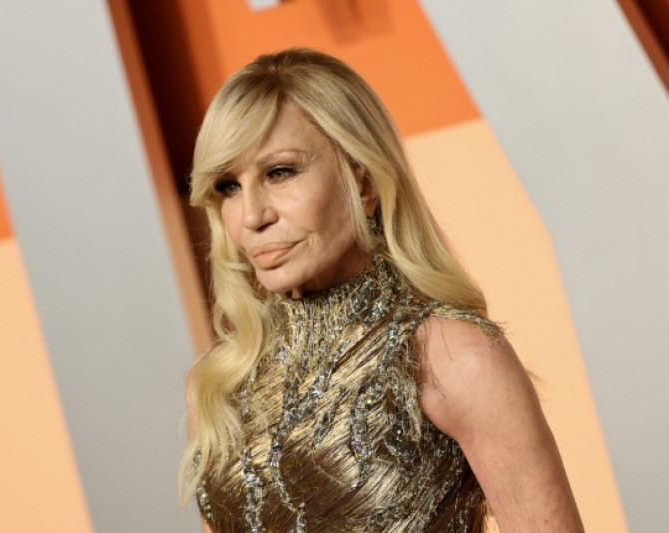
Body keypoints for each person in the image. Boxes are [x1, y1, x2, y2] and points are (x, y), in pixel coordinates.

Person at [180, 48, 584, 532]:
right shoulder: (219, 383)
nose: (251, 216)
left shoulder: (452, 357)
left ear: (363, 181)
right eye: (228, 186)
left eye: (279, 172)